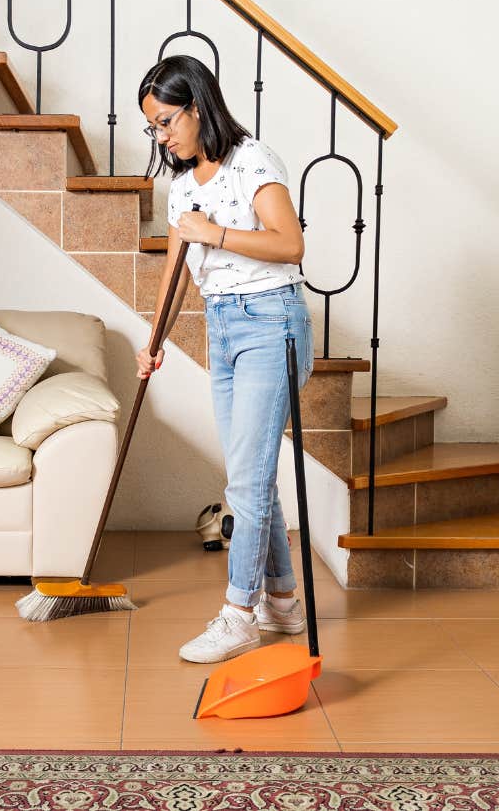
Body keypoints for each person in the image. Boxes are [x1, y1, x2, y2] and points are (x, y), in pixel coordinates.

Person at [136, 55, 315, 664]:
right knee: (251, 473)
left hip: (272, 322)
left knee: (244, 479)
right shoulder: (184, 185)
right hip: (222, 329)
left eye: (165, 122)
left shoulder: (253, 162)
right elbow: (175, 268)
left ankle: (240, 613)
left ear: (197, 106)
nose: (161, 136)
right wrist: (154, 338)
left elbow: (290, 245)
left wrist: (212, 233)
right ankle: (284, 603)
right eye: (153, 128)